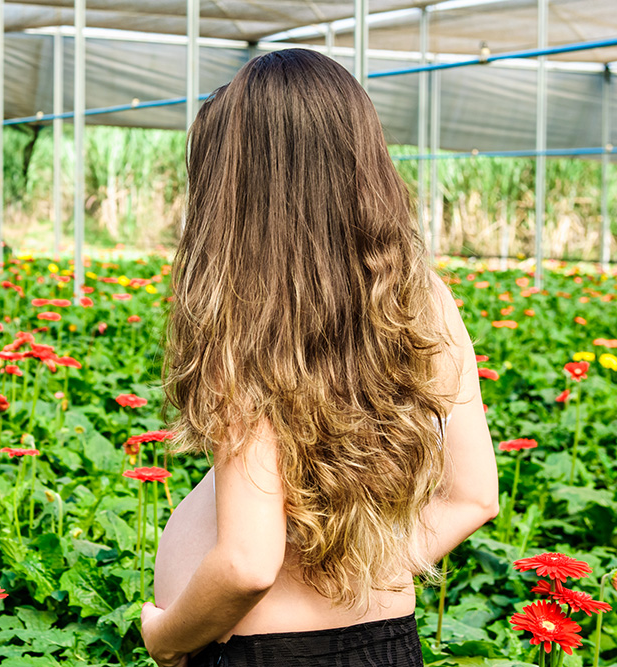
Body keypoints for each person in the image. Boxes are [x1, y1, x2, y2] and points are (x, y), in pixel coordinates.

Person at [141, 49, 499, 666]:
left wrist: (167, 639)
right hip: (384, 644)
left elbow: (250, 565)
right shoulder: (421, 295)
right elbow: (474, 496)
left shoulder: (252, 319)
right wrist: (355, 566)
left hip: (268, 653)